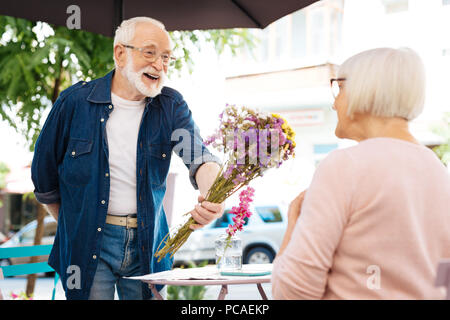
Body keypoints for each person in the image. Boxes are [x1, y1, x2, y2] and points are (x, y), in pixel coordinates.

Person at [31, 17, 224, 300]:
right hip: (88, 245)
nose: (159, 65)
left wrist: (213, 194)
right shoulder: (74, 103)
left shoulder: (170, 106)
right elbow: (44, 179)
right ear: (120, 53)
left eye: (166, 57)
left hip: (149, 243)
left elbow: (199, 157)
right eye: (149, 53)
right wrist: (76, 225)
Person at [271, 47, 450, 299]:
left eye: (339, 88)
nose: (334, 103)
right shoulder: (439, 173)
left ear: (366, 89)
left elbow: (292, 292)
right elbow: (443, 283)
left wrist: (293, 224)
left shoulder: (344, 167)